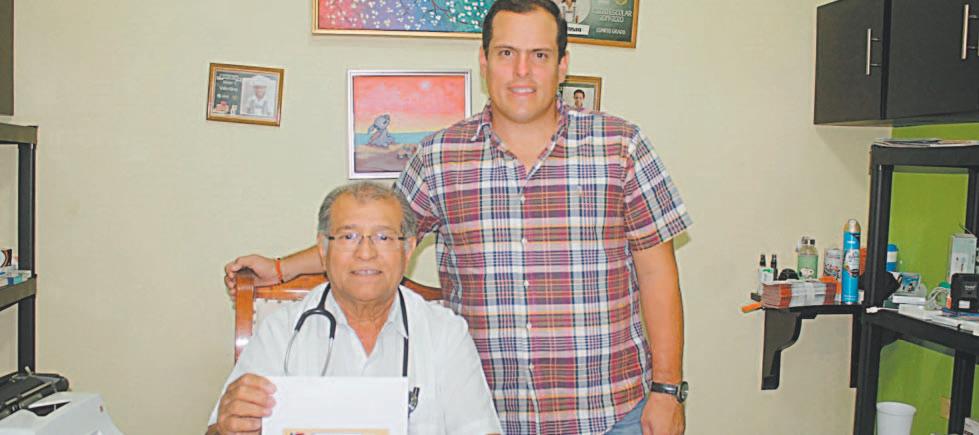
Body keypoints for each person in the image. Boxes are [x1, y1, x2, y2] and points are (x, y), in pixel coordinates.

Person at [225, 0, 691, 433]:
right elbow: (374, 239)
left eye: (539, 55)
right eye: (507, 53)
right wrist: (281, 268)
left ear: (563, 65)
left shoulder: (621, 147)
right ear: (484, 61)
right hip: (486, 414)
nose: (522, 71)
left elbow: (658, 275)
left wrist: (667, 390)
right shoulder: (439, 157)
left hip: (612, 412)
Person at [209, 182, 501, 435]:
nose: (365, 253)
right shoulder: (282, 331)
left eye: (383, 237)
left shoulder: (446, 333)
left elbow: (479, 428)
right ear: (323, 248)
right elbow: (219, 429)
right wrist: (227, 426)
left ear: (408, 249)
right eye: (348, 236)